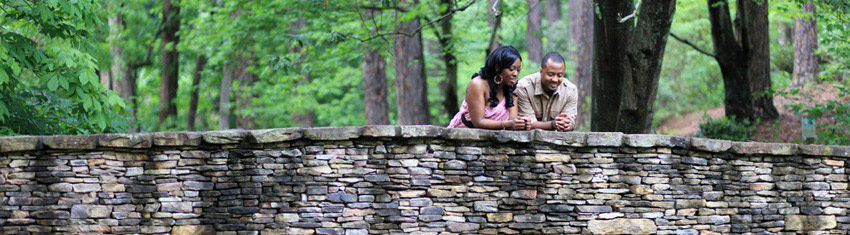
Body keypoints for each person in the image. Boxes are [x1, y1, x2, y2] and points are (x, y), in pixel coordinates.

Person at [448, 46, 530, 130]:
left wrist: (521, 124)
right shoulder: (477, 84)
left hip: (497, 138)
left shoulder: (512, 88)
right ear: (497, 67)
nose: (516, 74)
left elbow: (512, 122)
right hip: (464, 135)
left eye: (518, 70)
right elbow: (478, 122)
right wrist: (508, 124)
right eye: (511, 69)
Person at [516, 52, 578, 131]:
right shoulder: (524, 87)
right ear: (541, 72)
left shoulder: (570, 90)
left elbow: (570, 120)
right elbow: (528, 123)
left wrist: (566, 124)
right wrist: (553, 124)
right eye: (551, 74)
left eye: (559, 75)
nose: (555, 79)